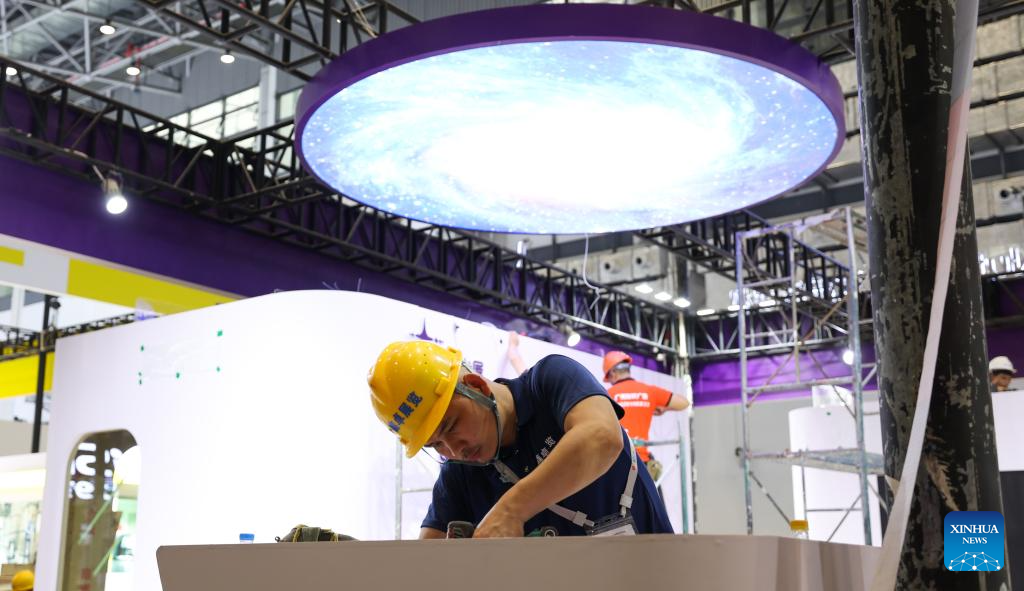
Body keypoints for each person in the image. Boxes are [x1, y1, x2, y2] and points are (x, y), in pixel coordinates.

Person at [367, 340, 673, 538]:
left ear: (476, 386)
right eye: (435, 445)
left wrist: (511, 510)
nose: (454, 450)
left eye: (451, 425)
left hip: (653, 578)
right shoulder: (459, 472)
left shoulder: (550, 381)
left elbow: (602, 437)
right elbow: (427, 558)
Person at [602, 351, 690, 481]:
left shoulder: (607, 395)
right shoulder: (649, 391)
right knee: (650, 494)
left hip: (616, 462)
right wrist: (664, 409)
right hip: (641, 461)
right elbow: (684, 403)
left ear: (613, 373)